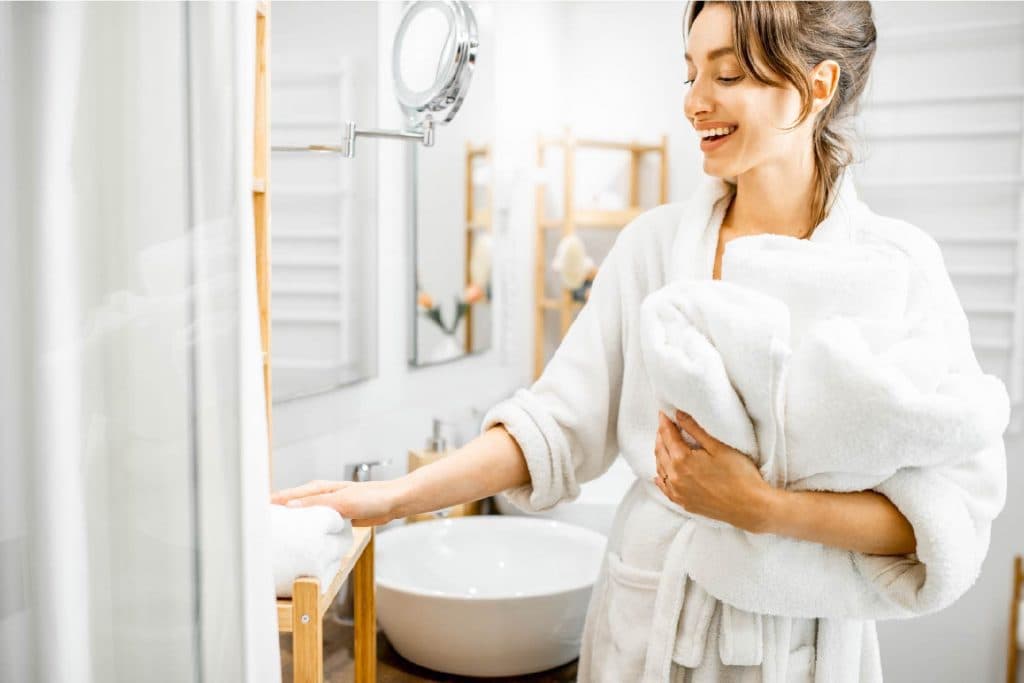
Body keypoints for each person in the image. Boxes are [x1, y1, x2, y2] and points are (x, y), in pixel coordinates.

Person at [273, 2, 1007, 680]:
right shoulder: (653, 251)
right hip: (650, 632)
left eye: (727, 73)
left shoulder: (895, 270)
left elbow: (943, 514)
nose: (694, 101)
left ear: (816, 87)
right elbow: (552, 426)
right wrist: (391, 496)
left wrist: (762, 508)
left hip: (800, 652)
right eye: (690, 74)